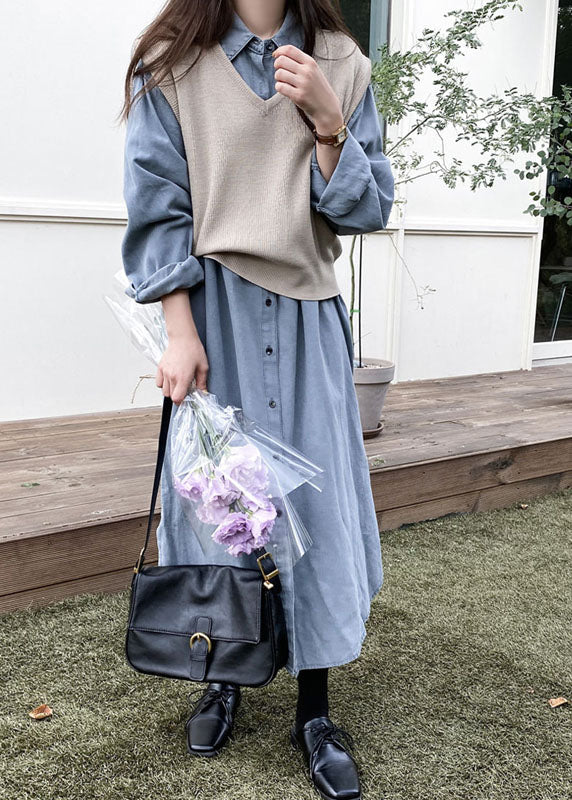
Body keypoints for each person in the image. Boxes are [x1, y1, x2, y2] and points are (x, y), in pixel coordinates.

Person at [119, 1, 394, 798]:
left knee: (312, 510)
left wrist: (330, 124)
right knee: (218, 505)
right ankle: (221, 674)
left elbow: (365, 210)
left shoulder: (340, 59)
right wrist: (179, 331)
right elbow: (157, 203)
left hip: (307, 320)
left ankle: (316, 707)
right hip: (215, 319)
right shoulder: (172, 62)